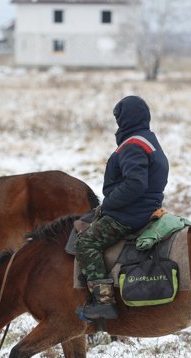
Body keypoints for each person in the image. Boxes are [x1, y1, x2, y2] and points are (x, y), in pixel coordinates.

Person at [75, 95, 169, 321]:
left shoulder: (133, 145)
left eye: (118, 118)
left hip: (129, 214)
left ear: (126, 119)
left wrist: (108, 204)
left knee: (86, 242)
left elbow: (135, 183)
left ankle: (103, 302)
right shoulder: (149, 140)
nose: (117, 123)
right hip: (147, 208)